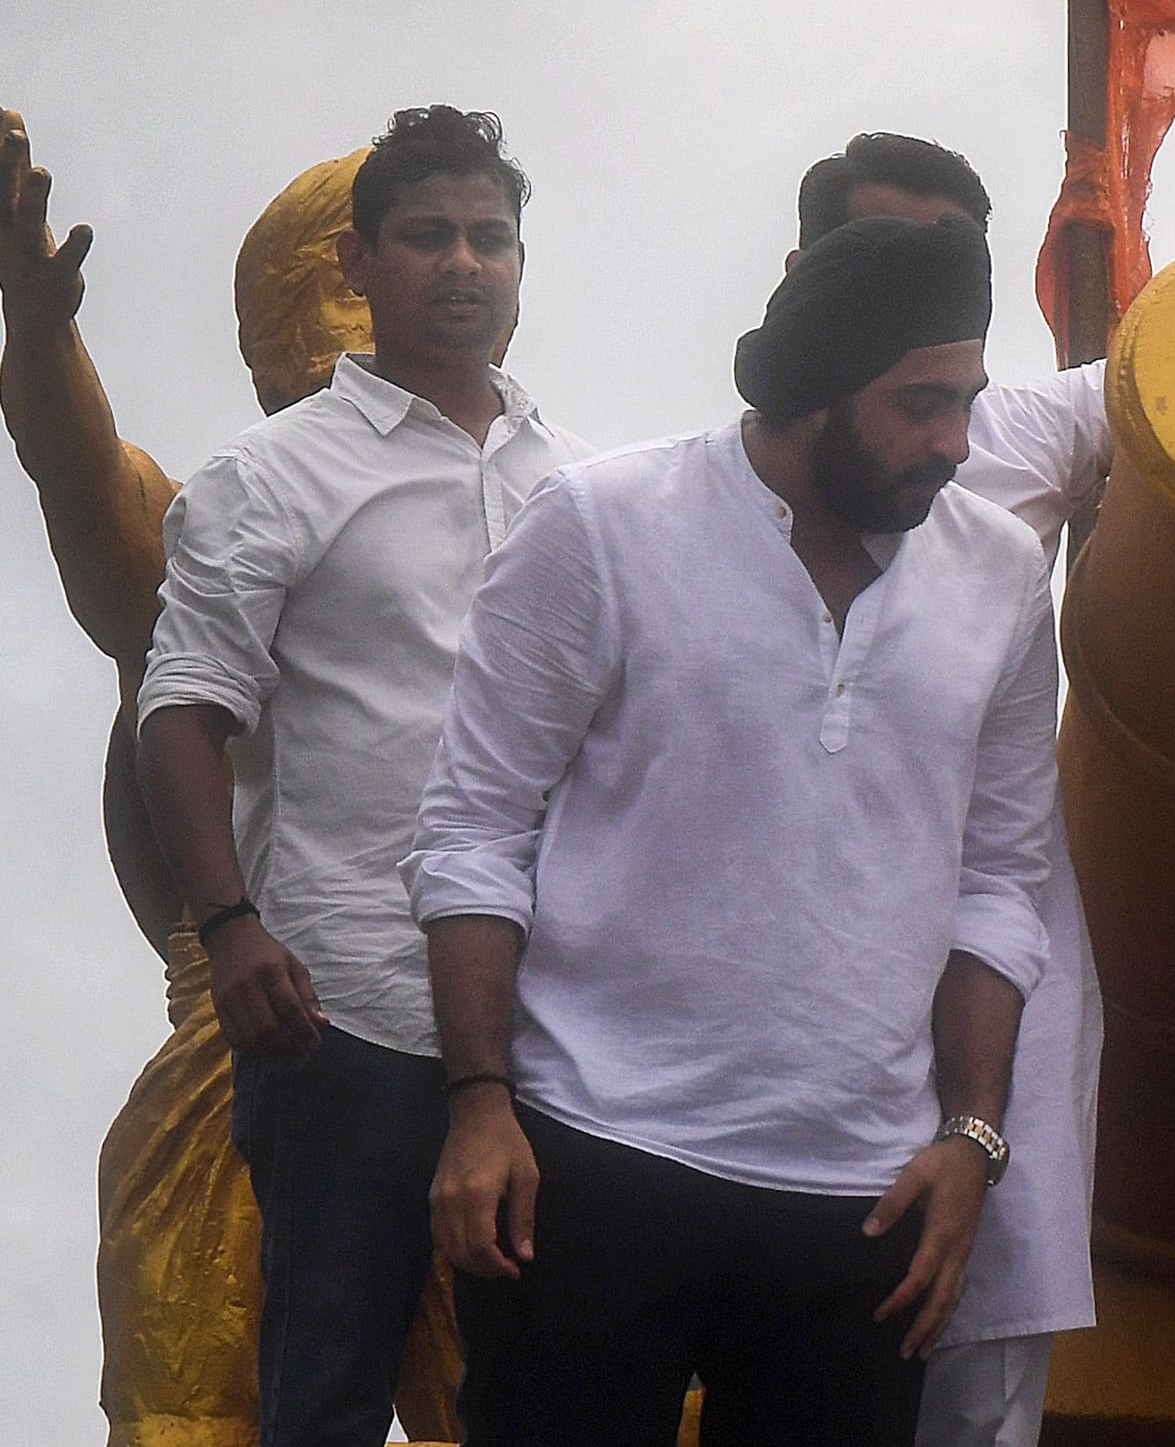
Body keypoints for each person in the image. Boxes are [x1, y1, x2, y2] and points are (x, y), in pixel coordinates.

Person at [412, 215, 1059, 1447]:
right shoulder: (602, 526)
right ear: (814, 393)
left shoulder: (1001, 576)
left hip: (862, 1209)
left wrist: (971, 1140)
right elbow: (475, 830)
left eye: (969, 400)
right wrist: (481, 1105)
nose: (955, 444)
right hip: (589, 1163)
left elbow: (1001, 880)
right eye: (920, 404)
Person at [0, 107, 468, 1447]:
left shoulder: (535, 529)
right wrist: (40, 331)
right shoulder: (212, 537)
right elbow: (87, 487)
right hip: (250, 1072)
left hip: (498, 1063)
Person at [132, 105, 580, 1447]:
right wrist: (228, 926)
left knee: (552, 1383)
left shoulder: (578, 487)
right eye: (428, 234)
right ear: (361, 259)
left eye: (490, 237)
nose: (464, 262)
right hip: (345, 1008)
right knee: (325, 1379)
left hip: (554, 1020)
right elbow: (181, 709)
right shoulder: (273, 477)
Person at [795, 132, 1111, 1447]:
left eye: (944, 259)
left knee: (977, 1386)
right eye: (876, 252)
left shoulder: (1032, 427)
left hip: (991, 918)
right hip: (789, 944)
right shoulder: (682, 492)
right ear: (804, 273)